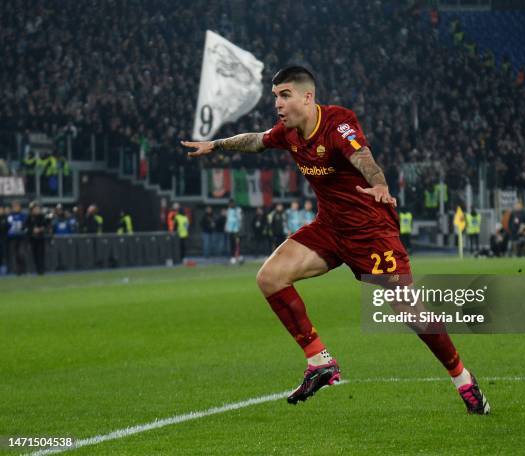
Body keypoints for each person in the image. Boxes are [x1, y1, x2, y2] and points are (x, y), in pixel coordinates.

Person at [181, 66, 490, 414]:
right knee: (269, 277)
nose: (278, 104)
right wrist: (217, 145)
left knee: (410, 311)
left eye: (285, 95)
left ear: (307, 97)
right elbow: (257, 140)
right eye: (275, 97)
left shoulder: (338, 123)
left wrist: (380, 184)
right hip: (330, 229)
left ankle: (463, 380)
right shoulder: (289, 132)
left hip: (372, 232)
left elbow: (363, 156)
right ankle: (320, 361)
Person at [26, 202, 50, 275]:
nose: (37, 210)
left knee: (41, 254)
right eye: (35, 209)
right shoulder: (29, 217)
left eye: (37, 209)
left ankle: (41, 270)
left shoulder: (42, 217)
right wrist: (32, 230)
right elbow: (26, 227)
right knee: (35, 255)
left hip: (40, 238)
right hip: (32, 239)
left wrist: (40, 229)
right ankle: (37, 270)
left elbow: (46, 226)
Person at [225, 199, 243, 265]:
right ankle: (233, 257)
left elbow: (240, 219)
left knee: (237, 244)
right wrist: (226, 227)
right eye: (229, 204)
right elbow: (228, 220)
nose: (230, 205)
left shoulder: (238, 210)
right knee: (231, 244)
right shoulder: (228, 210)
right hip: (230, 230)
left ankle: (238, 256)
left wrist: (239, 227)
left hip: (236, 230)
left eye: (231, 204)